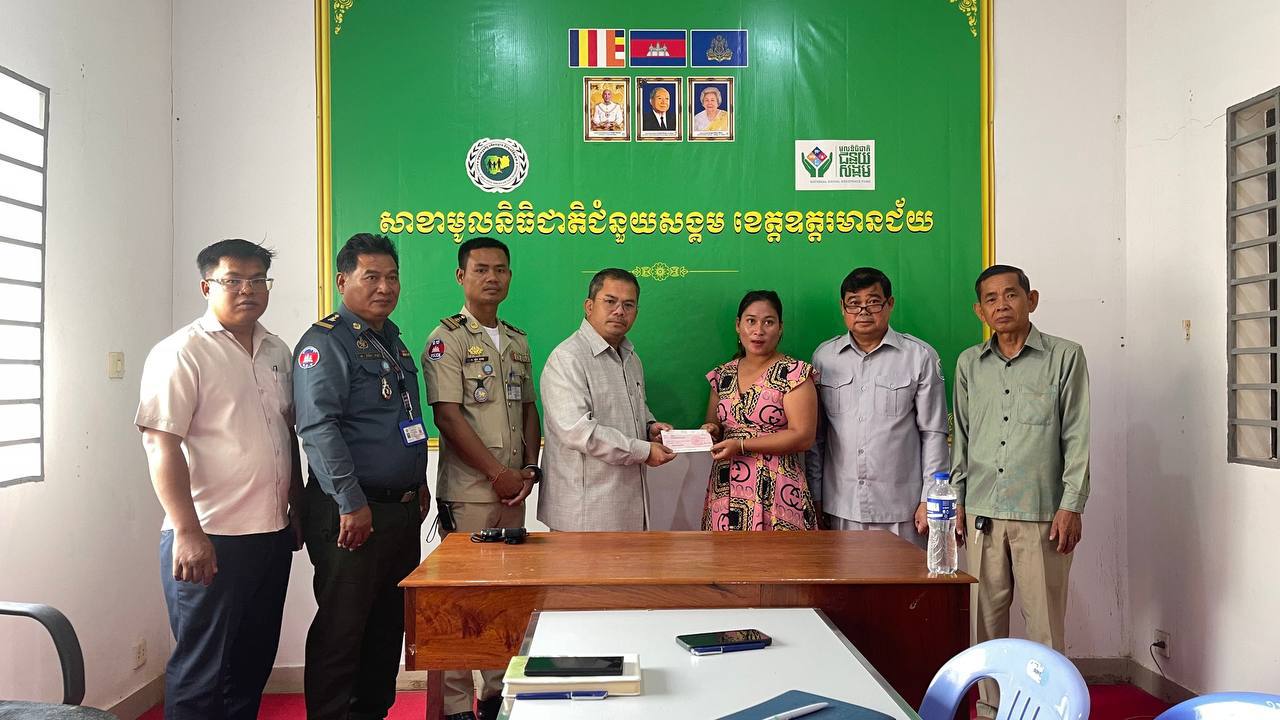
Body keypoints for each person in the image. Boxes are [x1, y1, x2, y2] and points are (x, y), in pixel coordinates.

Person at [136, 239, 302, 719]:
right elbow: (160, 444)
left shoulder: (277, 350)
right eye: (234, 280)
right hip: (210, 537)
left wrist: (296, 505)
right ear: (207, 286)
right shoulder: (181, 352)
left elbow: (285, 436)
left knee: (251, 665)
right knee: (201, 673)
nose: (248, 289)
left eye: (258, 280)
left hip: (269, 536)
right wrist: (187, 532)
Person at [293, 233, 430, 720]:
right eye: (371, 276)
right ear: (342, 280)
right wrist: (351, 502)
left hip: (398, 511)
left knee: (386, 626)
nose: (385, 287)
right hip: (351, 511)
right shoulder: (325, 342)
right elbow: (318, 427)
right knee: (343, 628)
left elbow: (402, 420)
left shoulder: (391, 339)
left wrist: (418, 482)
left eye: (392, 277)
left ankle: (373, 712)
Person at [952, 264, 1090, 720]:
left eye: (1011, 295)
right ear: (979, 311)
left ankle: (1047, 711)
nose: (1001, 305)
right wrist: (958, 500)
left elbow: (1077, 434)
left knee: (1044, 628)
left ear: (1031, 300)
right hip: (983, 513)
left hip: (1042, 512)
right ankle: (990, 710)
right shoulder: (969, 363)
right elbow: (962, 437)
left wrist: (1071, 504)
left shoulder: (1065, 357)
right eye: (990, 299)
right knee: (984, 628)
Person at [421, 237, 540, 720]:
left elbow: (528, 409)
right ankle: (455, 704)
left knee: (507, 598)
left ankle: (495, 695)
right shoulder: (446, 339)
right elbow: (447, 417)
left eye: (501, 269)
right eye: (481, 269)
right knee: (463, 598)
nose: (492, 277)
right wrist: (497, 473)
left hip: (513, 492)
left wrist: (529, 468)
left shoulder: (517, 340)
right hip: (471, 493)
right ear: (461, 276)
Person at [806, 268, 951, 546]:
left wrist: (930, 499)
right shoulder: (824, 358)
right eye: (854, 303)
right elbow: (818, 438)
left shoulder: (919, 356)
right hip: (842, 505)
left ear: (890, 304)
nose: (863, 311)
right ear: (842, 307)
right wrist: (816, 494)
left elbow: (933, 433)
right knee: (846, 578)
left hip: (904, 508)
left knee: (904, 577)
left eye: (873, 302)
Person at [538, 268, 676, 531]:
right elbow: (578, 432)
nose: (619, 311)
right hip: (584, 515)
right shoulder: (567, 358)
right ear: (589, 306)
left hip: (628, 507)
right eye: (610, 301)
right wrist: (644, 450)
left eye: (628, 305)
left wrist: (649, 427)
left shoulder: (631, 358)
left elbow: (634, 407)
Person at [701, 290, 819, 531]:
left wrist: (742, 445)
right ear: (738, 325)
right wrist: (710, 430)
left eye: (768, 322)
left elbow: (803, 436)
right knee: (726, 555)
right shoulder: (722, 375)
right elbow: (716, 428)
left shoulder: (794, 373)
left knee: (779, 555)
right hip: (727, 487)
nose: (758, 330)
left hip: (778, 487)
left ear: (780, 327)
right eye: (751, 321)